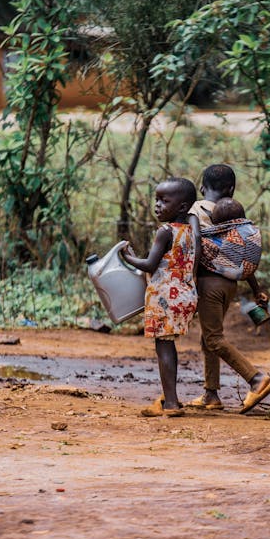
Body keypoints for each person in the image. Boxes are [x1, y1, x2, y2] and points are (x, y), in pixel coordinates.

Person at [187, 164, 270, 413]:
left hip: (208, 283)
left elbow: (195, 241)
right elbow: (242, 255)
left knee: (214, 339)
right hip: (230, 286)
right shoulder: (235, 214)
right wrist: (256, 288)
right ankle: (211, 394)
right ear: (231, 189)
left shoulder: (197, 208)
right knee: (209, 337)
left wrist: (192, 278)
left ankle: (256, 379)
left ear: (202, 187)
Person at [121, 177, 197, 417]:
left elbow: (150, 264)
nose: (157, 206)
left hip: (164, 296)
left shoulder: (165, 232)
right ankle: (170, 399)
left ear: (182, 207)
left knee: (163, 348)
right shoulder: (190, 231)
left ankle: (172, 403)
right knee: (168, 346)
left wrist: (126, 255)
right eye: (156, 200)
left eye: (164, 201)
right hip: (184, 294)